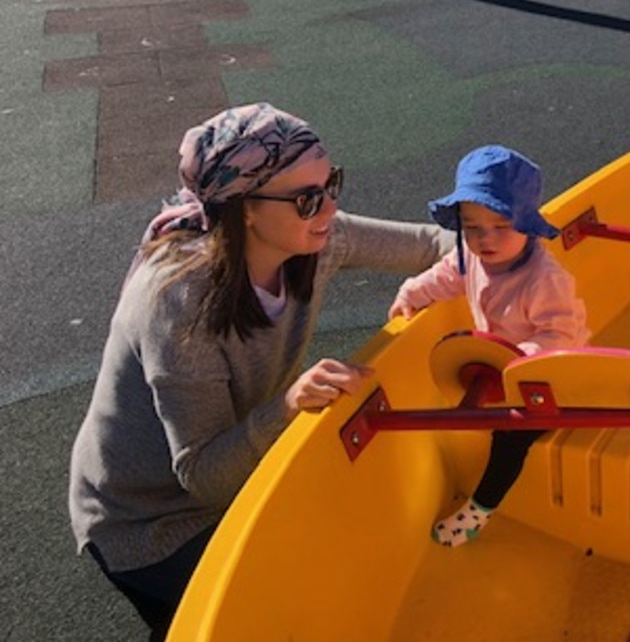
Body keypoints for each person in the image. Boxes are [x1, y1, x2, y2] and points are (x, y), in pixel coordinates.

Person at [68, 103, 454, 641]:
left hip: (234, 467)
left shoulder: (315, 237)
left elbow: (431, 245)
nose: (329, 207)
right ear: (244, 208)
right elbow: (202, 476)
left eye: (331, 183)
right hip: (147, 522)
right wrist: (291, 403)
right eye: (307, 198)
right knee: (267, 615)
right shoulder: (181, 308)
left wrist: (497, 263)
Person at [388, 144, 590, 547]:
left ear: (528, 225)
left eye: (500, 225)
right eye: (472, 226)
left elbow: (559, 334)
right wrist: (412, 293)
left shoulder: (544, 279)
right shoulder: (471, 255)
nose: (485, 238)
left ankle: (481, 508)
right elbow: (445, 275)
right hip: (502, 367)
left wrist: (519, 364)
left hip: (551, 375)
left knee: (510, 438)